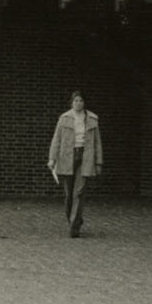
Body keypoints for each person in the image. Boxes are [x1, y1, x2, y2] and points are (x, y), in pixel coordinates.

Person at [46, 91, 103, 237]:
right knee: (68, 194)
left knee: (79, 192)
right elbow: (56, 139)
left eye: (81, 101)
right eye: (76, 101)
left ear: (85, 103)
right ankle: (75, 220)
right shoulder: (64, 118)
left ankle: (73, 227)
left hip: (85, 156)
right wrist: (52, 159)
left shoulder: (92, 119)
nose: (78, 103)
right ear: (71, 103)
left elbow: (97, 143)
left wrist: (98, 162)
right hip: (68, 157)